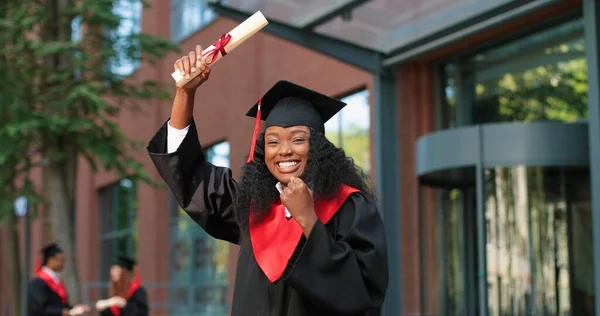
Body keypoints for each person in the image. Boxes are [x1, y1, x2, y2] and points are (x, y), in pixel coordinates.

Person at [147, 45, 389, 315]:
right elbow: (191, 176)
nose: (284, 151)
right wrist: (185, 92)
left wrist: (308, 219)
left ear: (318, 146)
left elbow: (364, 293)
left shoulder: (350, 206)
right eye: (273, 142)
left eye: (298, 139)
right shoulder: (254, 207)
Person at [28, 243, 90, 316]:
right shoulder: (38, 282)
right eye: (61, 260)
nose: (63, 264)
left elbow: (59, 304)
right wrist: (61, 312)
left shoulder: (56, 280)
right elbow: (38, 309)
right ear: (50, 260)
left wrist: (73, 308)